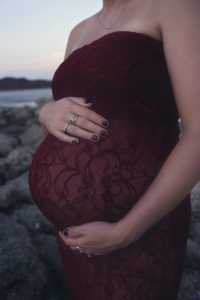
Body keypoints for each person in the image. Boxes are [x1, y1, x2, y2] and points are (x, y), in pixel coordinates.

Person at [29, 0, 200, 299]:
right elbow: (70, 116)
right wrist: (46, 112)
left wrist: (127, 231)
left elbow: (198, 133)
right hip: (75, 236)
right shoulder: (78, 30)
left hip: (143, 225)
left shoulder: (176, 5)